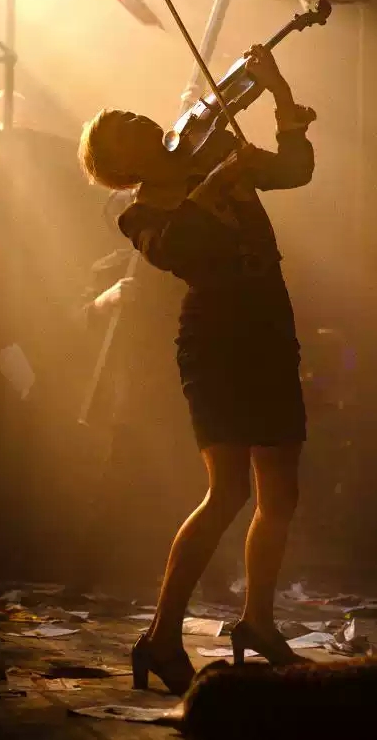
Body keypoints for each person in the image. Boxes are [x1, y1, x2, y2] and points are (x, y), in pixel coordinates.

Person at [77, 45, 316, 693]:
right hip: (216, 340)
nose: (140, 119)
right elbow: (176, 247)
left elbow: (295, 170)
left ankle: (257, 622)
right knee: (228, 491)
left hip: (269, 324)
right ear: (120, 165)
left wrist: (278, 93)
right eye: (124, 126)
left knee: (281, 493)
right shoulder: (139, 213)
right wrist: (216, 182)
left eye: (132, 113)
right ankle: (160, 635)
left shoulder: (212, 150)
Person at [66, 235, 240, 606]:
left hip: (185, 392)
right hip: (135, 397)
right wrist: (106, 299)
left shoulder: (190, 264)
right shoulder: (115, 266)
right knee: (114, 490)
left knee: (196, 488)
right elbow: (78, 322)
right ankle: (81, 581)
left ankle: (214, 581)